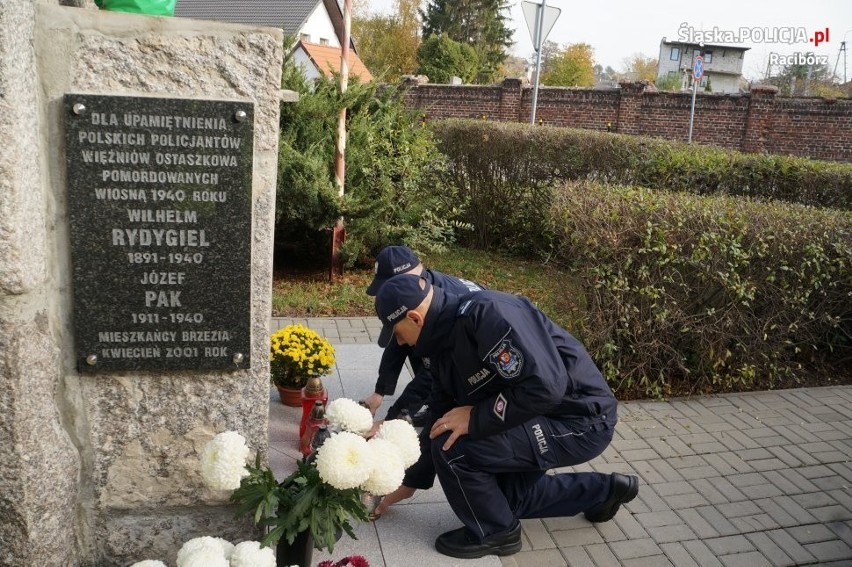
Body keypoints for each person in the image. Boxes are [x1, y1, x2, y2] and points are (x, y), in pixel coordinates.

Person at [373, 274, 639, 559]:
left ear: (415, 318)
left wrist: (476, 417)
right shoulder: (440, 344)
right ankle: (604, 492)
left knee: (454, 450)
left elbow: (545, 388)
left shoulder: (488, 314)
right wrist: (411, 480)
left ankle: (497, 533)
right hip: (538, 414)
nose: (398, 342)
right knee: (505, 500)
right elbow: (440, 412)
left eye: (396, 332)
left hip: (580, 420)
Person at [362, 246, 484, 424]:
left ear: (406, 278)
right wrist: (379, 392)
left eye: (388, 285)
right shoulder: (419, 289)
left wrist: (391, 421)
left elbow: (431, 372)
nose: (387, 292)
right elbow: (398, 340)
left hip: (483, 356)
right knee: (409, 337)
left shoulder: (444, 304)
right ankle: (435, 408)